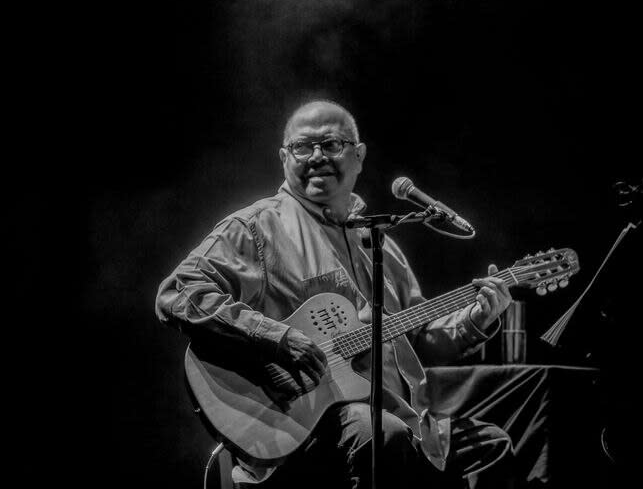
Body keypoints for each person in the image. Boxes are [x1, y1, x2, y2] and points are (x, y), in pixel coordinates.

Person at [155, 100, 513, 488]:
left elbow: (417, 338)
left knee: (493, 446)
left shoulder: (378, 243)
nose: (316, 157)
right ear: (283, 158)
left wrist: (476, 320)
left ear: (358, 156)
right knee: (381, 437)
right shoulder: (258, 227)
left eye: (331, 145)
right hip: (298, 422)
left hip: (393, 411)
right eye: (302, 147)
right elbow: (180, 291)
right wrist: (278, 338)